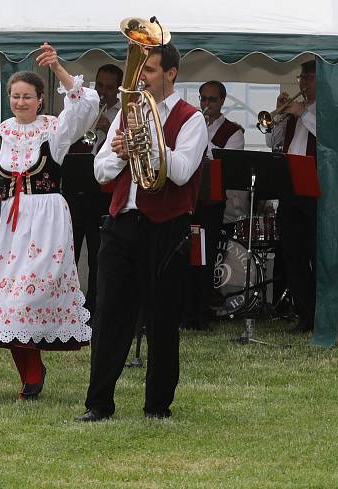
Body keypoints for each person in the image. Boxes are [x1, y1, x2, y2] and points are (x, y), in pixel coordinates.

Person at [77, 42, 207, 422]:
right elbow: (101, 171)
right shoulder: (125, 114)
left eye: (148, 70)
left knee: (162, 319)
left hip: (166, 228)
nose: (141, 78)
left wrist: (147, 144)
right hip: (122, 223)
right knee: (108, 316)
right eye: (140, 70)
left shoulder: (191, 118)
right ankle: (98, 403)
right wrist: (119, 151)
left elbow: (182, 171)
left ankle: (157, 405)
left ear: (171, 74)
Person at [0, 43, 95, 401]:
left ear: (40, 100)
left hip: (46, 218)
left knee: (28, 296)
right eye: (15, 96)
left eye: (27, 97)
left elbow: (85, 107)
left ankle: (34, 369)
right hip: (7, 223)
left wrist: (60, 69)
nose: (20, 102)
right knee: (7, 301)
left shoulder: (54, 130)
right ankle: (31, 374)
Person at [180, 80, 244, 330]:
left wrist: (202, 134)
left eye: (212, 100)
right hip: (189, 200)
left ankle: (201, 312)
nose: (206, 104)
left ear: (222, 101)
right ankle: (184, 310)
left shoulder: (233, 132)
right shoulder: (192, 124)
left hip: (212, 202)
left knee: (204, 258)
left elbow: (224, 163)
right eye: (202, 99)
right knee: (186, 256)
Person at [64, 64, 123, 320]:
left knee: (99, 252)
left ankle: (95, 303)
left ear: (119, 89)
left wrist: (108, 125)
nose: (103, 92)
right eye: (100, 85)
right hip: (75, 187)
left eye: (109, 87)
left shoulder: (123, 113)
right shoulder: (84, 108)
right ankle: (67, 302)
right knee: (70, 250)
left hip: (103, 192)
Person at [265, 60, 318, 332]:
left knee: (315, 255)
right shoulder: (295, 113)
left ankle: (320, 315)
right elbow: (272, 144)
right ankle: (304, 314)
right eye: (302, 78)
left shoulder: (328, 112)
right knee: (293, 255)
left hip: (315, 194)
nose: (302, 84)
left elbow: (331, 138)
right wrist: (279, 117)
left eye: (308, 78)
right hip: (289, 190)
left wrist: (302, 114)